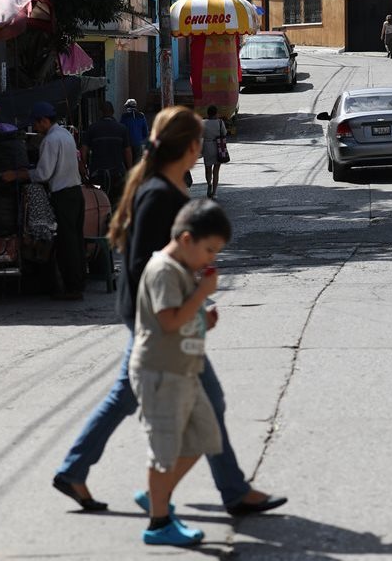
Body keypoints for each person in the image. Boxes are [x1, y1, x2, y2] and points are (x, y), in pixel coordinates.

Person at [52, 106, 286, 516]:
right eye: (199, 141)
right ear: (192, 145)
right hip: (156, 314)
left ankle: (77, 471)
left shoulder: (171, 185)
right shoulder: (159, 193)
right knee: (207, 401)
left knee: (127, 396)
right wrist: (193, 304)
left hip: (156, 310)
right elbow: (146, 263)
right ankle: (220, 492)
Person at [130, 199, 232, 545]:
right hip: (160, 373)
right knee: (164, 451)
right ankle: (158, 523)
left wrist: (204, 318)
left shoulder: (184, 269)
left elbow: (184, 318)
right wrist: (202, 293)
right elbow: (169, 321)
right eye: (209, 250)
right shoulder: (163, 270)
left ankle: (157, 493)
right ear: (187, 239)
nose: (211, 259)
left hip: (184, 370)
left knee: (205, 435)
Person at [2, 101, 85, 300]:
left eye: (37, 125)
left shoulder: (50, 140)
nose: (36, 128)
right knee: (75, 241)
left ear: (45, 121)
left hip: (63, 195)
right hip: (75, 193)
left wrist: (18, 175)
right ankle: (78, 283)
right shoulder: (65, 134)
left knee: (67, 244)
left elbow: (43, 174)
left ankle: (72, 288)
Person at [81, 101, 132, 208]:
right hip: (117, 173)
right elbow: (127, 151)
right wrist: (130, 170)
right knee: (116, 202)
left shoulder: (92, 128)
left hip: (97, 173)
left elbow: (84, 150)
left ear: (100, 112)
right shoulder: (122, 128)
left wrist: (84, 169)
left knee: (99, 203)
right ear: (113, 112)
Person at [202, 105, 227, 199]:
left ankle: (209, 184)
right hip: (218, 148)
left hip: (207, 147)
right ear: (216, 113)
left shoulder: (203, 123)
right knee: (216, 171)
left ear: (208, 113)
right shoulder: (220, 122)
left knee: (207, 169)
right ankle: (215, 192)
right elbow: (224, 133)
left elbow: (200, 134)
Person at [120, 98, 149, 164]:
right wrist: (140, 139)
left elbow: (121, 129)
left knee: (127, 163)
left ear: (127, 107)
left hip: (127, 143)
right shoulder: (141, 116)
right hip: (138, 143)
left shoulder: (124, 116)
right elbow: (145, 131)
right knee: (137, 163)